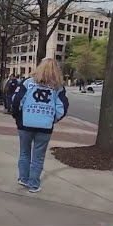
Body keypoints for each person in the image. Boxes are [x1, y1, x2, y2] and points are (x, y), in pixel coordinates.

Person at [11, 57, 69, 193]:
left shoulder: (28, 83)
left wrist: (18, 117)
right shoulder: (58, 87)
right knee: (38, 156)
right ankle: (34, 184)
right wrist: (52, 119)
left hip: (25, 124)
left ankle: (23, 178)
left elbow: (16, 100)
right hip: (45, 126)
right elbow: (62, 108)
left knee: (24, 152)